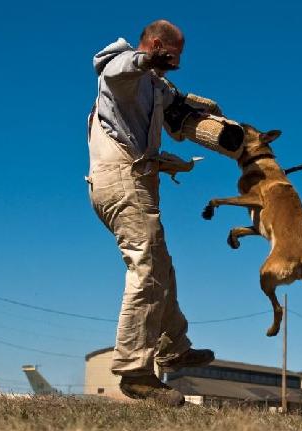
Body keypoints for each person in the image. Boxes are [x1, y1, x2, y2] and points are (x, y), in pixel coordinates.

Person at [86, 20, 216, 406]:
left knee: (161, 265)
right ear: (159, 45)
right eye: (174, 55)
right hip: (121, 180)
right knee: (146, 266)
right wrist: (147, 58)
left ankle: (173, 345)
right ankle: (135, 371)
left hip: (132, 181)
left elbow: (178, 111)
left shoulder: (155, 87)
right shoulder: (125, 67)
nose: (177, 62)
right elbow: (120, 69)